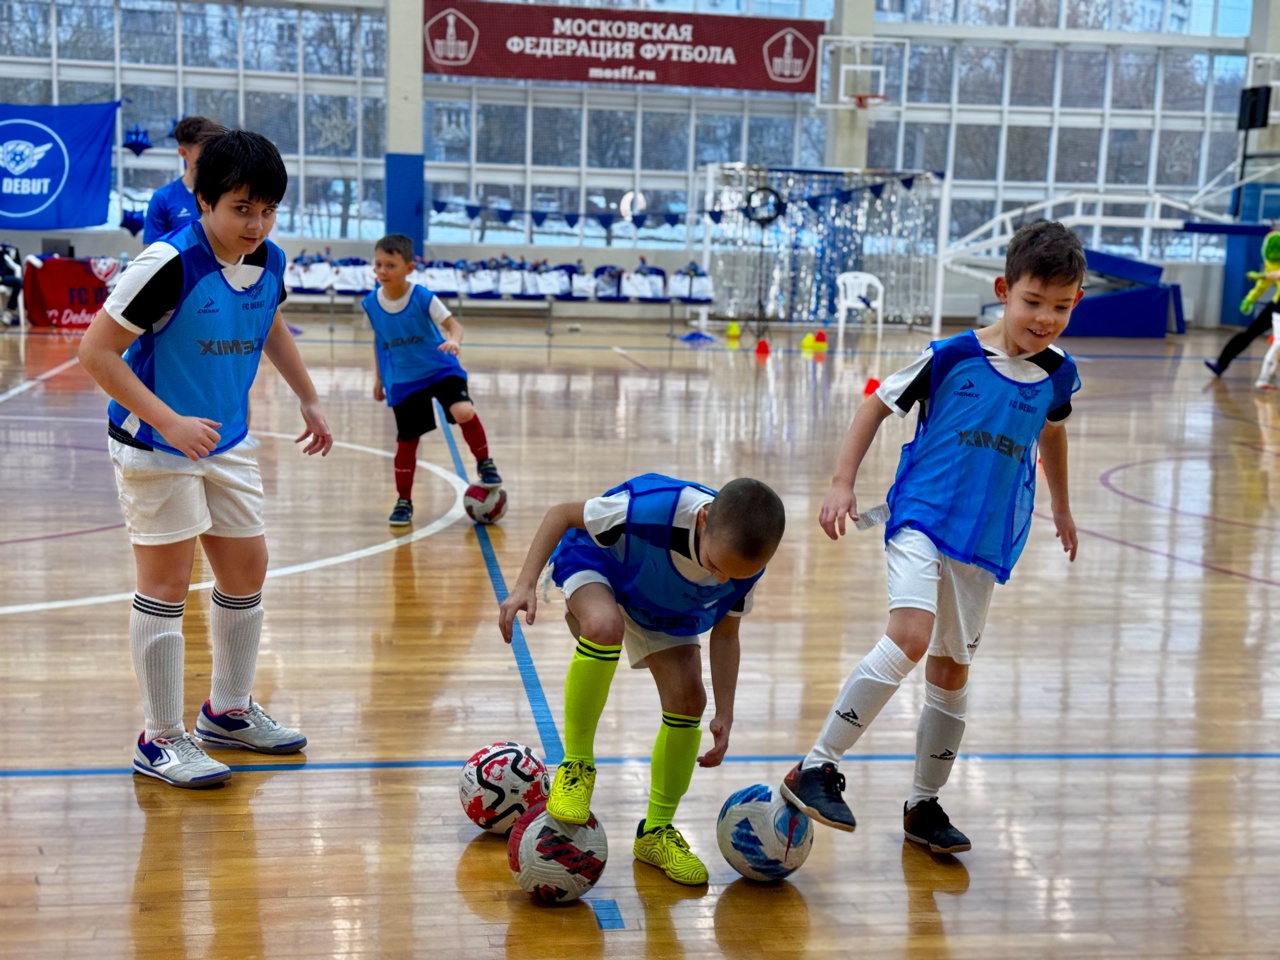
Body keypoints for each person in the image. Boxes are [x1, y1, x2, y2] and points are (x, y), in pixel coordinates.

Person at [780, 219, 1084, 855]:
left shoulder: (1059, 374)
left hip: (985, 541)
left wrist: (1061, 505)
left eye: (1060, 307)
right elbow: (875, 405)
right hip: (921, 516)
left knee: (951, 670)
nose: (1044, 318)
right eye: (1032, 302)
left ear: (1075, 302)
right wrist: (842, 482)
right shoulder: (951, 356)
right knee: (911, 637)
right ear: (1003, 291)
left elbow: (1053, 433)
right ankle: (815, 766)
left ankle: (923, 805)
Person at [78, 130, 333, 789]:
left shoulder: (269, 259)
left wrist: (308, 397)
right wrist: (169, 420)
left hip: (227, 440)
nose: (256, 224)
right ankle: (160, 738)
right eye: (242, 208)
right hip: (155, 443)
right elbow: (95, 353)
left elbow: (269, 323)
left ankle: (228, 712)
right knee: (165, 585)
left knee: (247, 570)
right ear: (203, 201)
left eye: (268, 210)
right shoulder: (167, 263)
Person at [499, 474, 785, 885]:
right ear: (703, 519)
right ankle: (576, 765)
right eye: (716, 566)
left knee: (690, 700)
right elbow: (561, 514)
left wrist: (726, 711)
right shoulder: (650, 509)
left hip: (664, 601)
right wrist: (524, 585)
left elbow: (726, 634)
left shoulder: (742, 563)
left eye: (734, 575)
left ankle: (656, 832)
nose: (723, 580)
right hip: (602, 565)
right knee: (603, 626)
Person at [362, 233, 502, 526]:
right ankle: (403, 501)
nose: (382, 271)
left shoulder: (423, 297)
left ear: (409, 268)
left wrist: (454, 341)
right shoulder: (371, 304)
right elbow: (379, 341)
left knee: (463, 411)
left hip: (440, 367)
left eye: (390, 265)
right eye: (378, 265)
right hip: (404, 378)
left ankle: (485, 463)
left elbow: (455, 326)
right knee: (408, 440)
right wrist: (378, 379)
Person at [1205, 230, 1280, 378]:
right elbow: (1263, 284)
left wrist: (1262, 275)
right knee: (1249, 333)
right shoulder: (1272, 262)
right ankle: (1221, 364)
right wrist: (1250, 299)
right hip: (1278, 304)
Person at [143, 116, 227, 244]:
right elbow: (151, 252)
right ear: (183, 153)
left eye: (214, 149)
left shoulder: (229, 193)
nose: (211, 156)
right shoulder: (163, 199)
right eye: (205, 150)